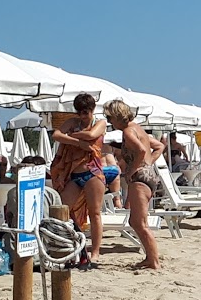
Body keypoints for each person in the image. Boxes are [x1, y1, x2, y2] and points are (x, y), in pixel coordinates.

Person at [104, 99, 165, 270]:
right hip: (148, 175)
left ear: (117, 116)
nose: (109, 122)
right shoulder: (138, 129)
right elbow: (159, 146)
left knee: (139, 223)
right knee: (136, 221)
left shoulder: (128, 131)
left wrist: (133, 169)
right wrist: (148, 163)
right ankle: (150, 258)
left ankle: (154, 261)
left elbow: (142, 150)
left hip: (140, 178)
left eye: (109, 118)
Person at [50, 93, 107, 270]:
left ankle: (95, 252)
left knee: (94, 213)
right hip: (74, 174)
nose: (82, 116)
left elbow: (91, 134)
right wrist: (78, 142)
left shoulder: (100, 122)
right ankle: (79, 245)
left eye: (85, 112)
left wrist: (72, 135)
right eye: (79, 112)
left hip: (93, 172)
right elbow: (56, 135)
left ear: (92, 110)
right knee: (64, 211)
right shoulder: (72, 122)